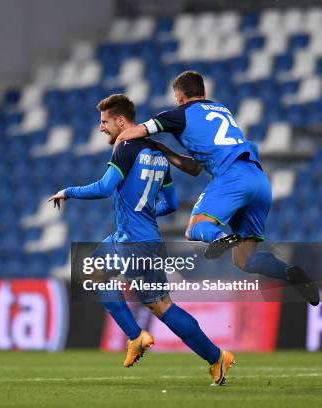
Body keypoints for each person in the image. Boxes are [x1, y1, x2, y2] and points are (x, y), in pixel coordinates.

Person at [48, 94, 233, 386]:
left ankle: (139, 337)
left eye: (104, 122)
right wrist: (144, 211)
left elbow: (105, 187)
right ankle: (215, 357)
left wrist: (68, 191)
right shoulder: (158, 152)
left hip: (133, 240)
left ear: (121, 121)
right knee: (108, 277)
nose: (101, 128)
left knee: (157, 304)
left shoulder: (126, 145)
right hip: (142, 237)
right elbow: (170, 204)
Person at [116, 71, 319, 306]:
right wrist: (166, 151)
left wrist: (119, 142)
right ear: (203, 92)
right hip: (259, 179)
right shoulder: (222, 109)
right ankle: (290, 272)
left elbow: (132, 134)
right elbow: (195, 169)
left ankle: (221, 238)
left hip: (232, 177)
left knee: (195, 228)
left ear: (179, 96)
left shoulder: (178, 115)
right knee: (244, 260)